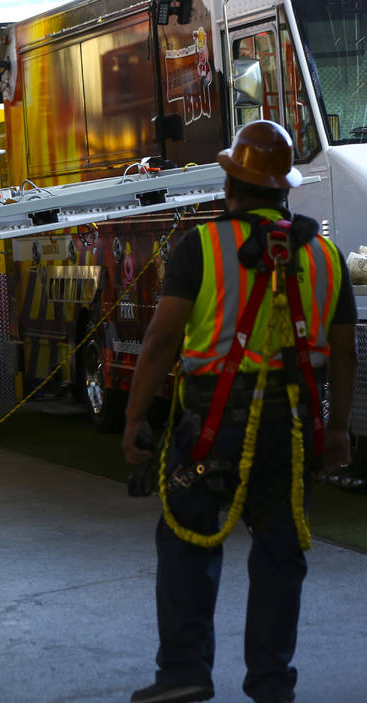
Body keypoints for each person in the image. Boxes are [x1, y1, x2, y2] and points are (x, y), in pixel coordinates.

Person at [122, 120, 356, 703]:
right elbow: (346, 351)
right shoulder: (325, 254)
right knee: (281, 552)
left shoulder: (200, 247)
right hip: (294, 427)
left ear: (231, 184)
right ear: (284, 190)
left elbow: (160, 341)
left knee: (186, 543)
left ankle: (184, 673)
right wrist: (339, 430)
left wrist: (133, 419)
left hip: (211, 427)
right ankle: (272, 682)